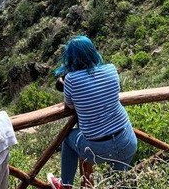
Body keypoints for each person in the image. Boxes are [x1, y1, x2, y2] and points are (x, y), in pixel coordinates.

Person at [46, 36, 137, 189]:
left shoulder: (71, 79)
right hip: (126, 141)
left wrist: (66, 83)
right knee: (119, 183)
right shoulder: (111, 69)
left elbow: (71, 105)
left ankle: (65, 184)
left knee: (67, 138)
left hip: (96, 150)